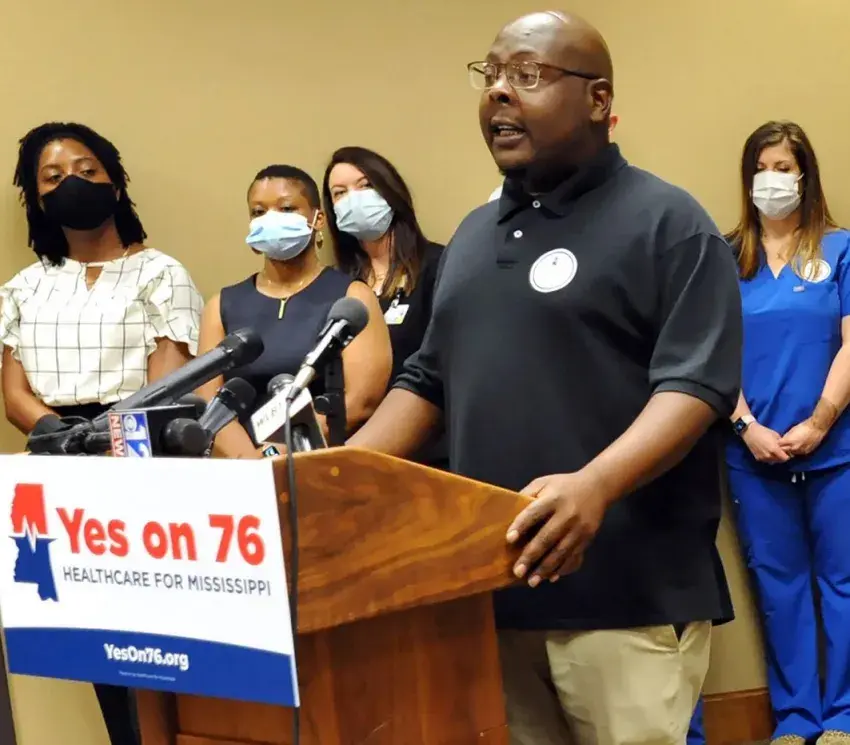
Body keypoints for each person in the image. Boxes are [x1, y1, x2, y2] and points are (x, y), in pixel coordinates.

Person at [349, 10, 741, 745]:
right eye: (491, 74)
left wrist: (594, 484)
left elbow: (696, 386)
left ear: (598, 99)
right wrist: (337, 473)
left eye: (527, 75)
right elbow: (428, 380)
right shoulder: (473, 236)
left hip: (625, 597)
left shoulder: (668, 222)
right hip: (494, 590)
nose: (499, 91)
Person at [0, 122, 203, 745]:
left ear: (115, 183)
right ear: (37, 200)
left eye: (87, 170)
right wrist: (56, 431)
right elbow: (14, 394)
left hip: (140, 460)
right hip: (58, 464)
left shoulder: (160, 273)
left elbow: (168, 385)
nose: (73, 183)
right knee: (96, 643)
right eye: (53, 177)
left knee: (160, 645)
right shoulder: (22, 289)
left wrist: (112, 440)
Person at [726, 121, 850, 745]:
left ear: (805, 176)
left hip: (836, 450)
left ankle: (842, 717)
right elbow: (709, 353)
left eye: (784, 167)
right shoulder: (726, 257)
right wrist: (746, 426)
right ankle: (795, 719)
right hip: (752, 452)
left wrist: (820, 421)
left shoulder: (840, 249)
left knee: (843, 582)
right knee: (780, 587)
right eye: (762, 168)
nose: (771, 180)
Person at [196, 164, 391, 457]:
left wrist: (286, 448)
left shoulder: (351, 297)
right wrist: (254, 462)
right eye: (258, 212)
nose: (271, 218)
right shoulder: (221, 305)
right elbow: (209, 403)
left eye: (286, 208)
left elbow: (361, 401)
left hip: (320, 460)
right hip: (243, 468)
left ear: (318, 219)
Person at [323, 146, 446, 463]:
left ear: (391, 191)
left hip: (425, 448)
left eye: (365, 186)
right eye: (339, 193)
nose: (353, 199)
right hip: (347, 445)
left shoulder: (440, 266)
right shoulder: (336, 285)